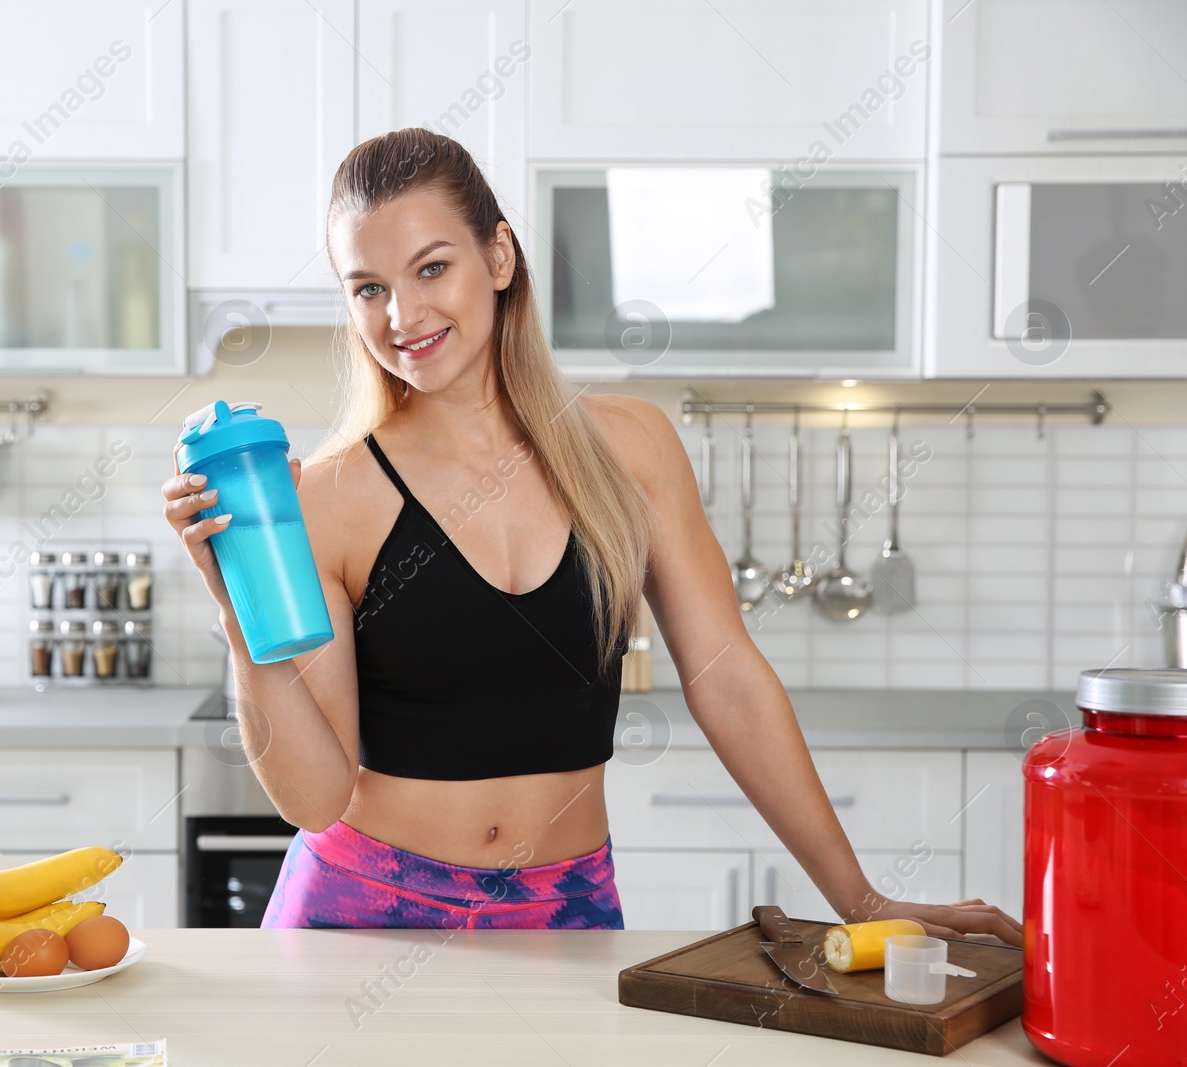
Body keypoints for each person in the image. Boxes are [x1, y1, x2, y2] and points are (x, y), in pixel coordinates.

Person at [163, 127, 1022, 944]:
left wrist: (860, 898)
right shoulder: (329, 496)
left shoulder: (631, 448)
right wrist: (242, 618)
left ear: (498, 257)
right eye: (368, 287)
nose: (402, 314)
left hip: (565, 914)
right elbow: (316, 796)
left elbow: (729, 681)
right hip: (359, 916)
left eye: (432, 267)